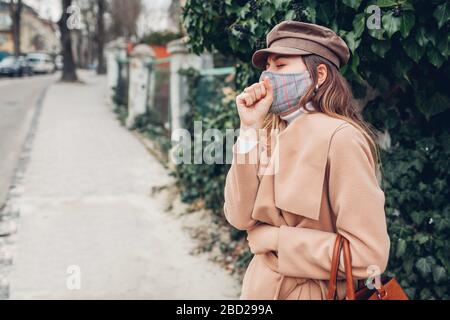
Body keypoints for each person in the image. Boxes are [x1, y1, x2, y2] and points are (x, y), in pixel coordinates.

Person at [223, 21, 390, 300]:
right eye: (267, 68)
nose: (267, 77)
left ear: (320, 74)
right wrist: (248, 129)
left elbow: (368, 255)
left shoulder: (342, 138)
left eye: (281, 66)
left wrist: (278, 240)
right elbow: (239, 217)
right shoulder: (266, 130)